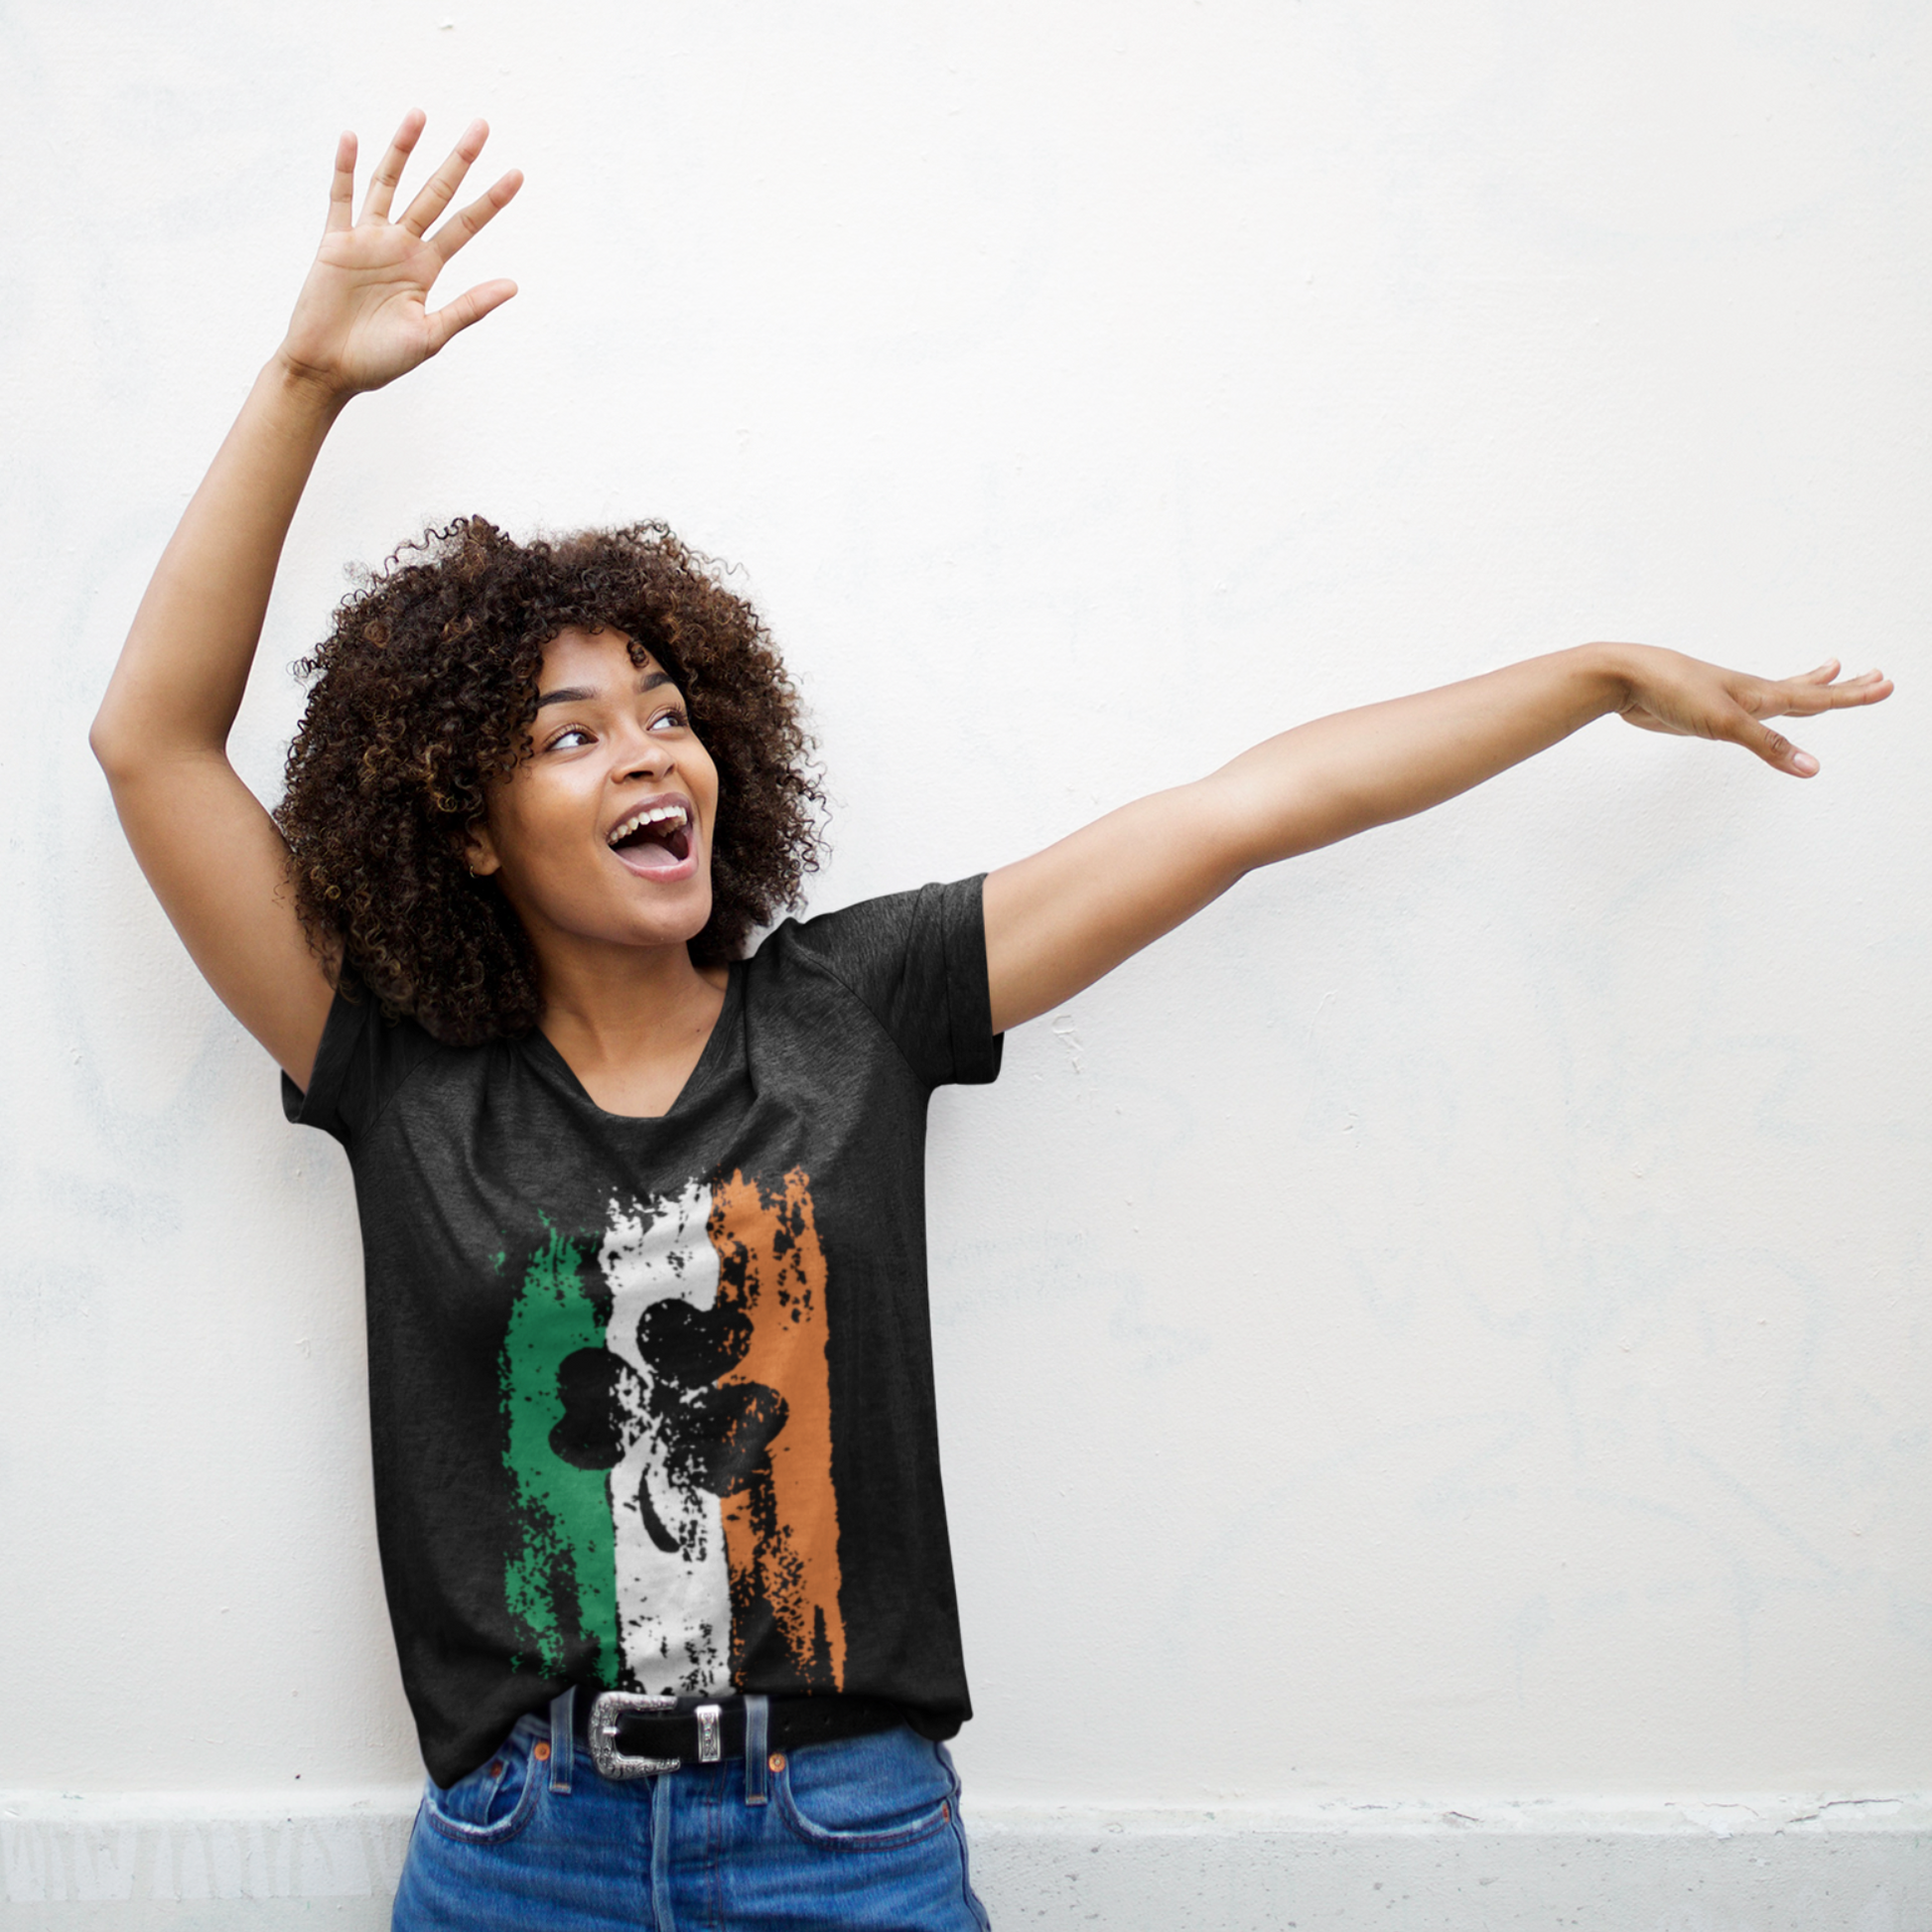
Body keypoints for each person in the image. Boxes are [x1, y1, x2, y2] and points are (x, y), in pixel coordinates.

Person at [91, 111, 1891, 1932]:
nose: (647, 750)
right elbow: (149, 744)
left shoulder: (856, 1008)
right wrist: (307, 380)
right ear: (463, 830)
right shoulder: (398, 1069)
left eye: (663, 710)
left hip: (844, 1842)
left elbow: (1245, 807)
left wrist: (1589, 678)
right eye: (569, 734)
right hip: (515, 1851)